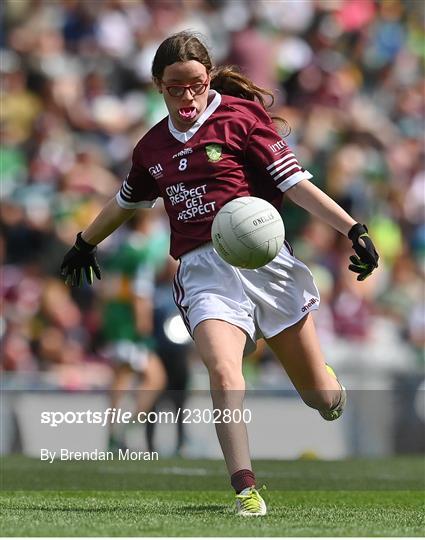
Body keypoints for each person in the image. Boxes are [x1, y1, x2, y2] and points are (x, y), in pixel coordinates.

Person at [60, 31, 379, 516]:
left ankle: (325, 385)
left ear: (208, 78)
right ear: (157, 86)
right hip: (203, 270)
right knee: (225, 372)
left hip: (266, 265)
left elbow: (294, 185)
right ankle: (246, 489)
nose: (186, 97)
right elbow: (127, 200)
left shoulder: (240, 117)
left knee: (322, 398)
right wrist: (85, 242)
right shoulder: (151, 147)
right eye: (174, 87)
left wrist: (353, 229)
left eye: (195, 84)